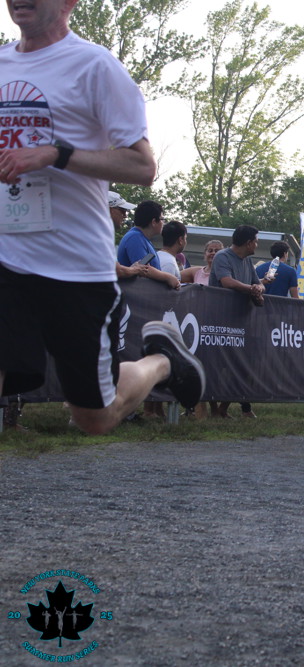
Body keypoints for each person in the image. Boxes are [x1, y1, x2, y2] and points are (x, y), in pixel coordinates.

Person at [0, 0, 204, 435]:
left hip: (74, 267)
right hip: (7, 259)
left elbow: (142, 166)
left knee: (94, 416)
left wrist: (56, 154)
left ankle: (161, 361)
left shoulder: (94, 66)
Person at [210, 225, 265, 418]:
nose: (257, 245)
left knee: (241, 365)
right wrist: (251, 289)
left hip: (240, 323)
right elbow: (227, 282)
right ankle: (213, 409)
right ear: (249, 243)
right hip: (219, 321)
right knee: (216, 366)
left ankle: (223, 409)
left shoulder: (248, 260)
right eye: (256, 241)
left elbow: (258, 283)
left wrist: (258, 288)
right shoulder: (222, 257)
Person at [116, 200, 180, 290]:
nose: (164, 223)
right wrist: (169, 277)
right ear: (154, 222)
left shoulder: (142, 238)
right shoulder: (134, 238)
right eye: (162, 219)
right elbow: (143, 269)